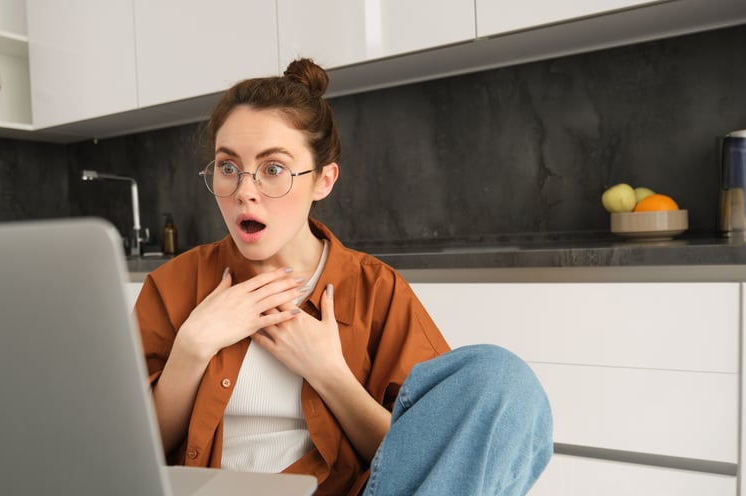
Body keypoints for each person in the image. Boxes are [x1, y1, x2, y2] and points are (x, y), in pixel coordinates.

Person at [133, 59, 553, 496]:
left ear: (323, 180)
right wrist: (191, 349)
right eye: (227, 167)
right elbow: (125, 458)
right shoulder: (172, 287)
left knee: (502, 378)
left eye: (273, 168)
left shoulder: (376, 290)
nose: (244, 190)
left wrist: (330, 374)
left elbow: (427, 462)